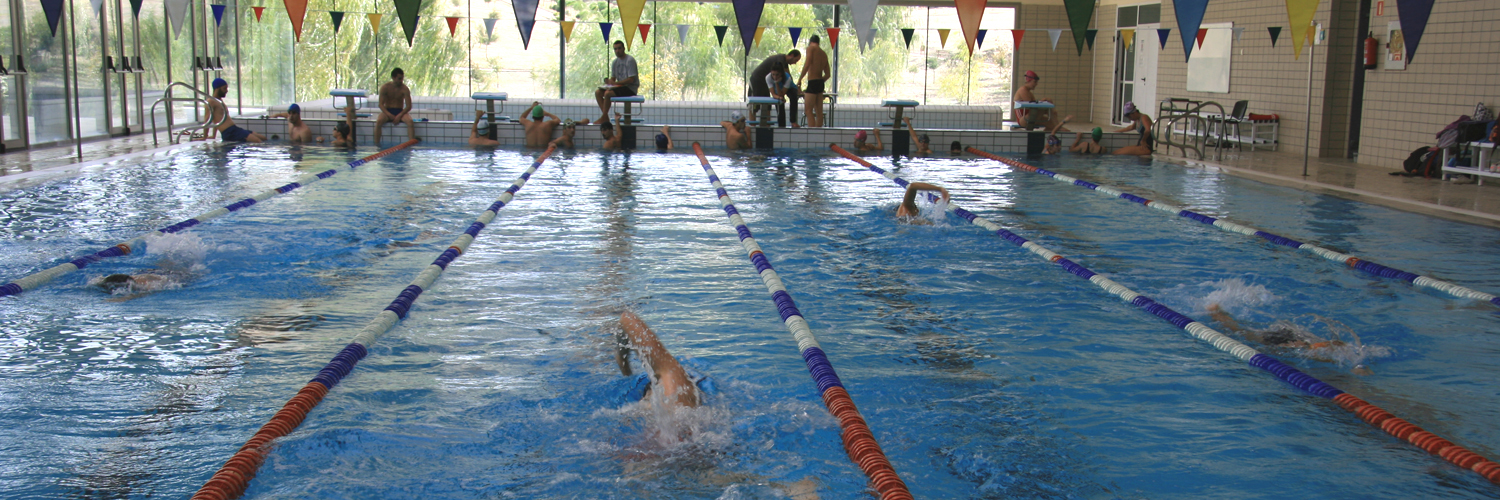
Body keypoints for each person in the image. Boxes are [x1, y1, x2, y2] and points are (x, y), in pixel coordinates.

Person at [1207, 304, 1374, 375]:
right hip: (1285, 339)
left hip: (1297, 338)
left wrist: (1358, 368)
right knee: (1241, 332)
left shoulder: (1338, 351)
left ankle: (1218, 312)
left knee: (1244, 330)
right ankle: (1215, 312)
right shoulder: (1314, 350)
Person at [614, 311, 703, 408]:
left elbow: (627, 318)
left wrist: (624, 364)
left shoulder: (675, 389)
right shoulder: (680, 393)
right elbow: (627, 319)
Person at [748, 49, 802, 128]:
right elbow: (776, 93)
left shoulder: (783, 62)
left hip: (766, 82)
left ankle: (767, 126)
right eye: (796, 60)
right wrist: (779, 94)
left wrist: (795, 89)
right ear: (792, 55)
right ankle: (753, 127)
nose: (795, 63)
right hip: (757, 80)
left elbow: (788, 78)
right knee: (755, 105)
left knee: (768, 104)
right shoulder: (779, 61)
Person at [205, 78, 265, 143]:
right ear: (217, 89)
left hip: (234, 129)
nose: (226, 91)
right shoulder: (211, 101)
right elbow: (207, 119)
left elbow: (218, 120)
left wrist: (214, 135)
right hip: (229, 132)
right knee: (258, 141)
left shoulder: (219, 101)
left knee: (263, 138)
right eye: (224, 88)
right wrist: (205, 136)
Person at [595, 41, 640, 125]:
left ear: (624, 48)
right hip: (620, 87)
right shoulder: (615, 62)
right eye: (615, 49)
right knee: (598, 92)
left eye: (619, 48)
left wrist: (615, 84)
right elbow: (613, 78)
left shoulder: (630, 60)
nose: (617, 51)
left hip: (630, 88)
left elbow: (631, 80)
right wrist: (608, 83)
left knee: (608, 94)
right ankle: (605, 117)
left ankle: (604, 118)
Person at [375, 68, 416, 144]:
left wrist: (399, 115)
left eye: (402, 79)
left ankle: (411, 144)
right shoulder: (385, 87)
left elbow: (409, 106)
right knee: (379, 121)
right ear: (393, 78)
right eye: (399, 78)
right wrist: (389, 114)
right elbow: (381, 104)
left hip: (400, 111)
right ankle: (376, 145)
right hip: (388, 111)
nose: (401, 81)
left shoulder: (405, 89)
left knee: (410, 122)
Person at [798, 36, 831, 128]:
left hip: (812, 82)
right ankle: (819, 132)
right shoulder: (824, 54)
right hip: (820, 83)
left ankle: (811, 132)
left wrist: (800, 79)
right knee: (819, 111)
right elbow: (828, 74)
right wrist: (820, 81)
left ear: (810, 42)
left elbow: (807, 63)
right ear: (818, 42)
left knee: (808, 110)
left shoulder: (811, 48)